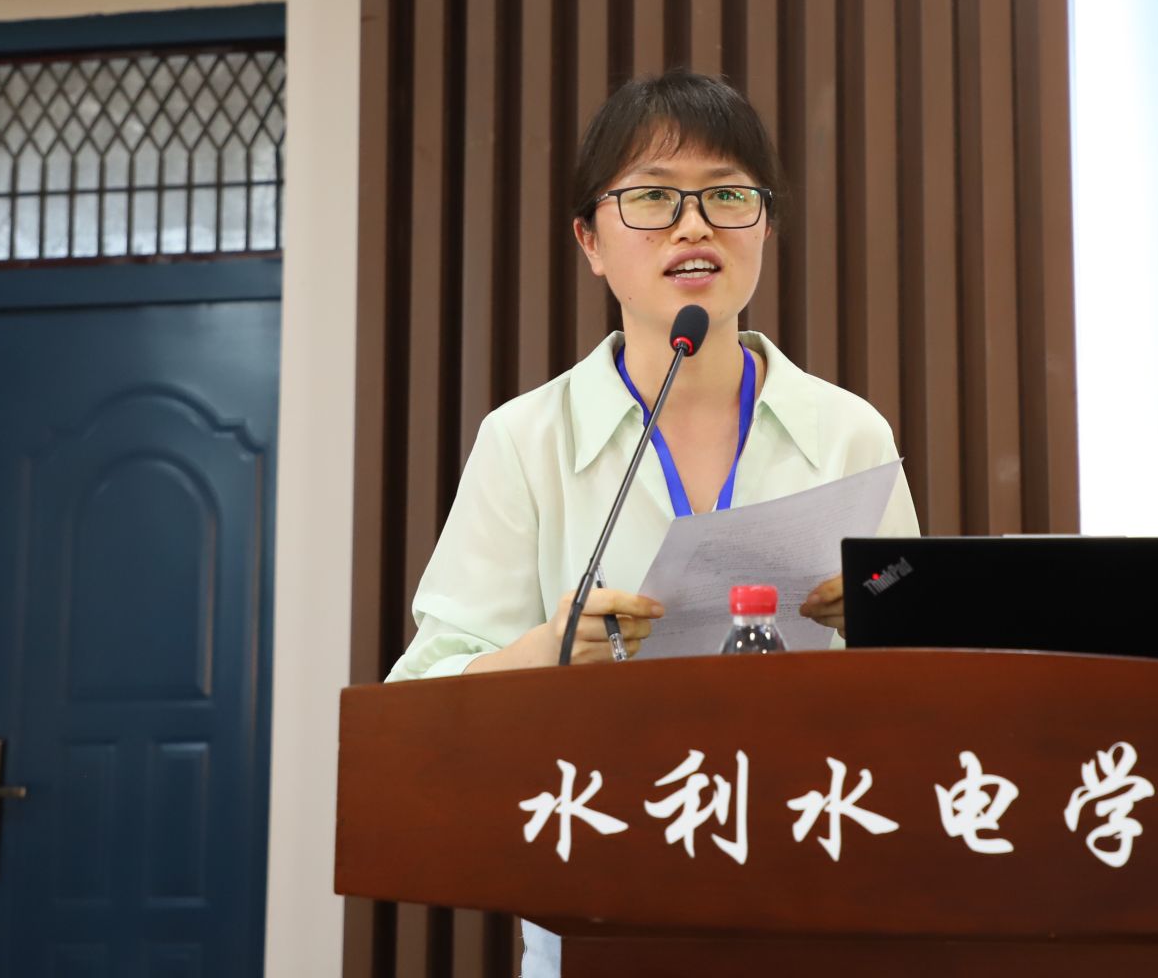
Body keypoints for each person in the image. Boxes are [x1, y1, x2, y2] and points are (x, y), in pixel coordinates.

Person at [385, 70, 921, 976]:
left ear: (765, 225)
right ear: (590, 241)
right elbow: (417, 700)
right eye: (652, 197)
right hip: (600, 896)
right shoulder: (527, 440)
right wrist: (548, 649)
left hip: (816, 889)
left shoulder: (848, 432)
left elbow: (923, 664)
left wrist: (874, 617)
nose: (694, 225)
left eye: (727, 194)